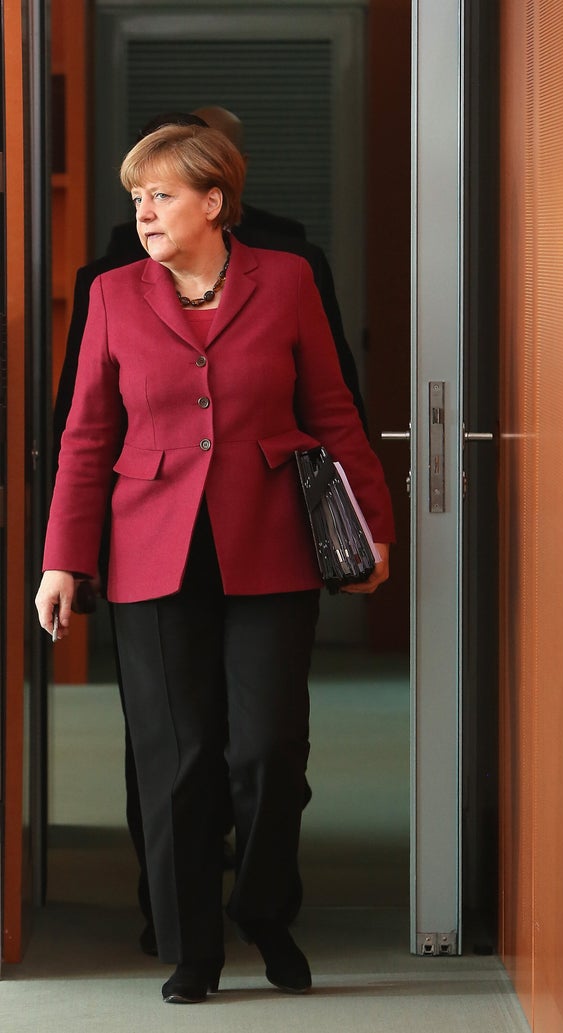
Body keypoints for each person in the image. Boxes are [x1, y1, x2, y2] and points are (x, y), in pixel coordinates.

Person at [37, 123, 394, 1005]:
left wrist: (374, 527)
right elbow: (85, 438)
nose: (143, 213)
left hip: (270, 542)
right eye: (136, 199)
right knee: (178, 759)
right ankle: (191, 944)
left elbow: (334, 410)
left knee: (270, 752)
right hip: (151, 551)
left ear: (213, 201)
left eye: (159, 195)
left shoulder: (289, 281)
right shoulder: (115, 294)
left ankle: (266, 909)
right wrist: (60, 561)